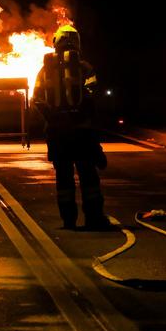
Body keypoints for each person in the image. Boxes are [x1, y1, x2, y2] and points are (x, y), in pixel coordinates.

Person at [33, 24, 109, 230]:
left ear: (55, 43)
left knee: (63, 178)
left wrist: (55, 119)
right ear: (77, 42)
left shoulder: (44, 70)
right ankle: (94, 217)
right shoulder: (84, 67)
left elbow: (37, 99)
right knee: (88, 177)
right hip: (82, 132)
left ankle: (68, 220)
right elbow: (93, 95)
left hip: (57, 135)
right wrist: (80, 118)